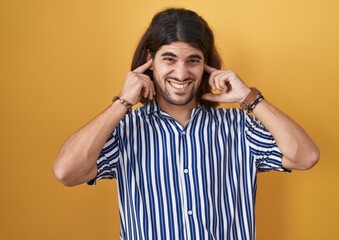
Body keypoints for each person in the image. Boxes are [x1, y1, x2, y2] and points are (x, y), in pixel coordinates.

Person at [53, 7, 320, 239]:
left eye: (193, 60)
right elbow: (66, 172)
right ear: (150, 61)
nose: (181, 73)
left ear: (206, 65)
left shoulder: (239, 127)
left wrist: (248, 97)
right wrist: (123, 102)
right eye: (169, 59)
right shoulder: (124, 130)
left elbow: (305, 156)